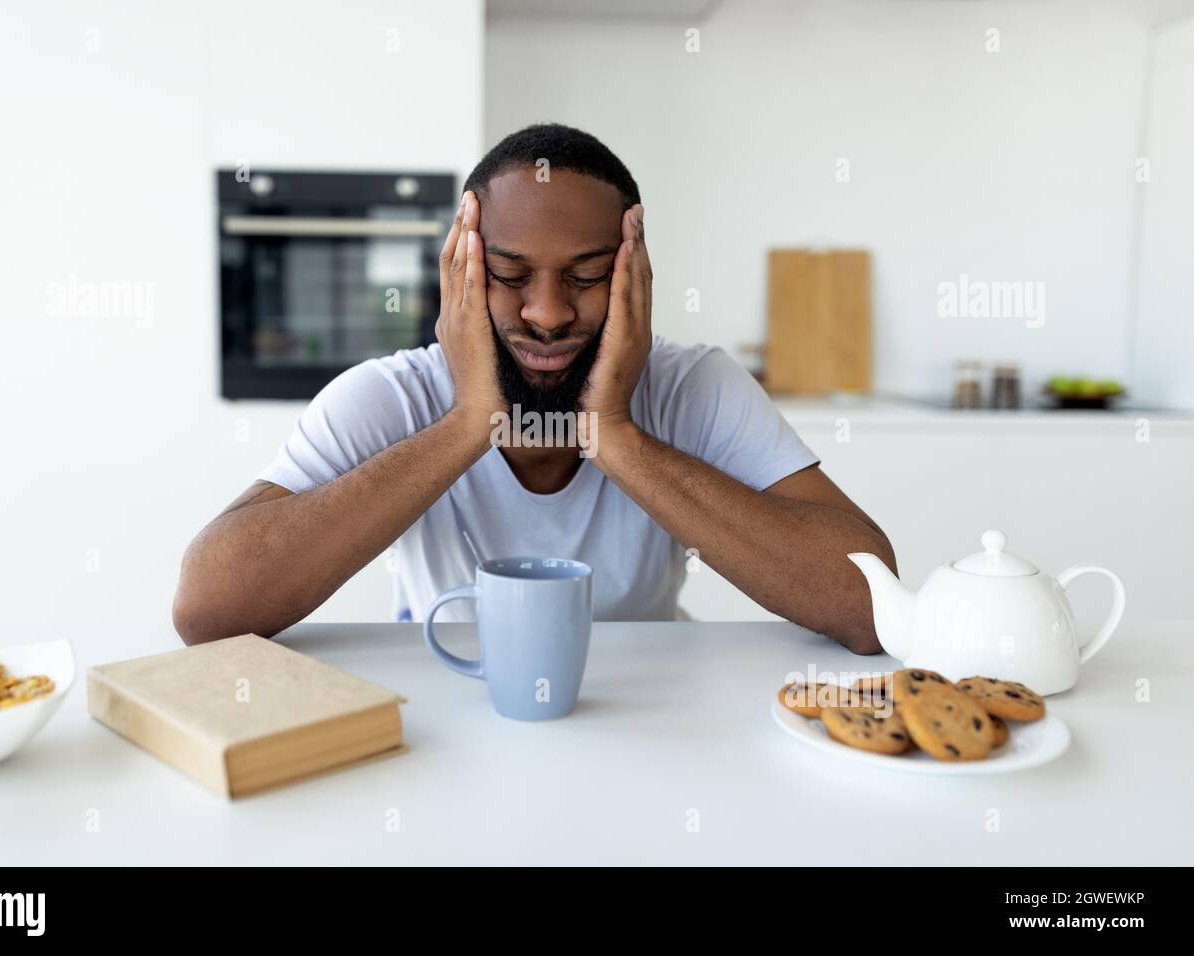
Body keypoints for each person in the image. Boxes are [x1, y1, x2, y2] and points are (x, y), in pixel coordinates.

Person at [173, 123, 897, 652]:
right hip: (439, 697)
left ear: (633, 279)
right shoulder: (389, 397)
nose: (547, 314)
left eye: (585, 278)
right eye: (510, 278)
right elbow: (208, 610)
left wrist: (615, 434)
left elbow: (869, 607)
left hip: (650, 706)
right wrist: (466, 423)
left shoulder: (692, 387)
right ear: (460, 276)